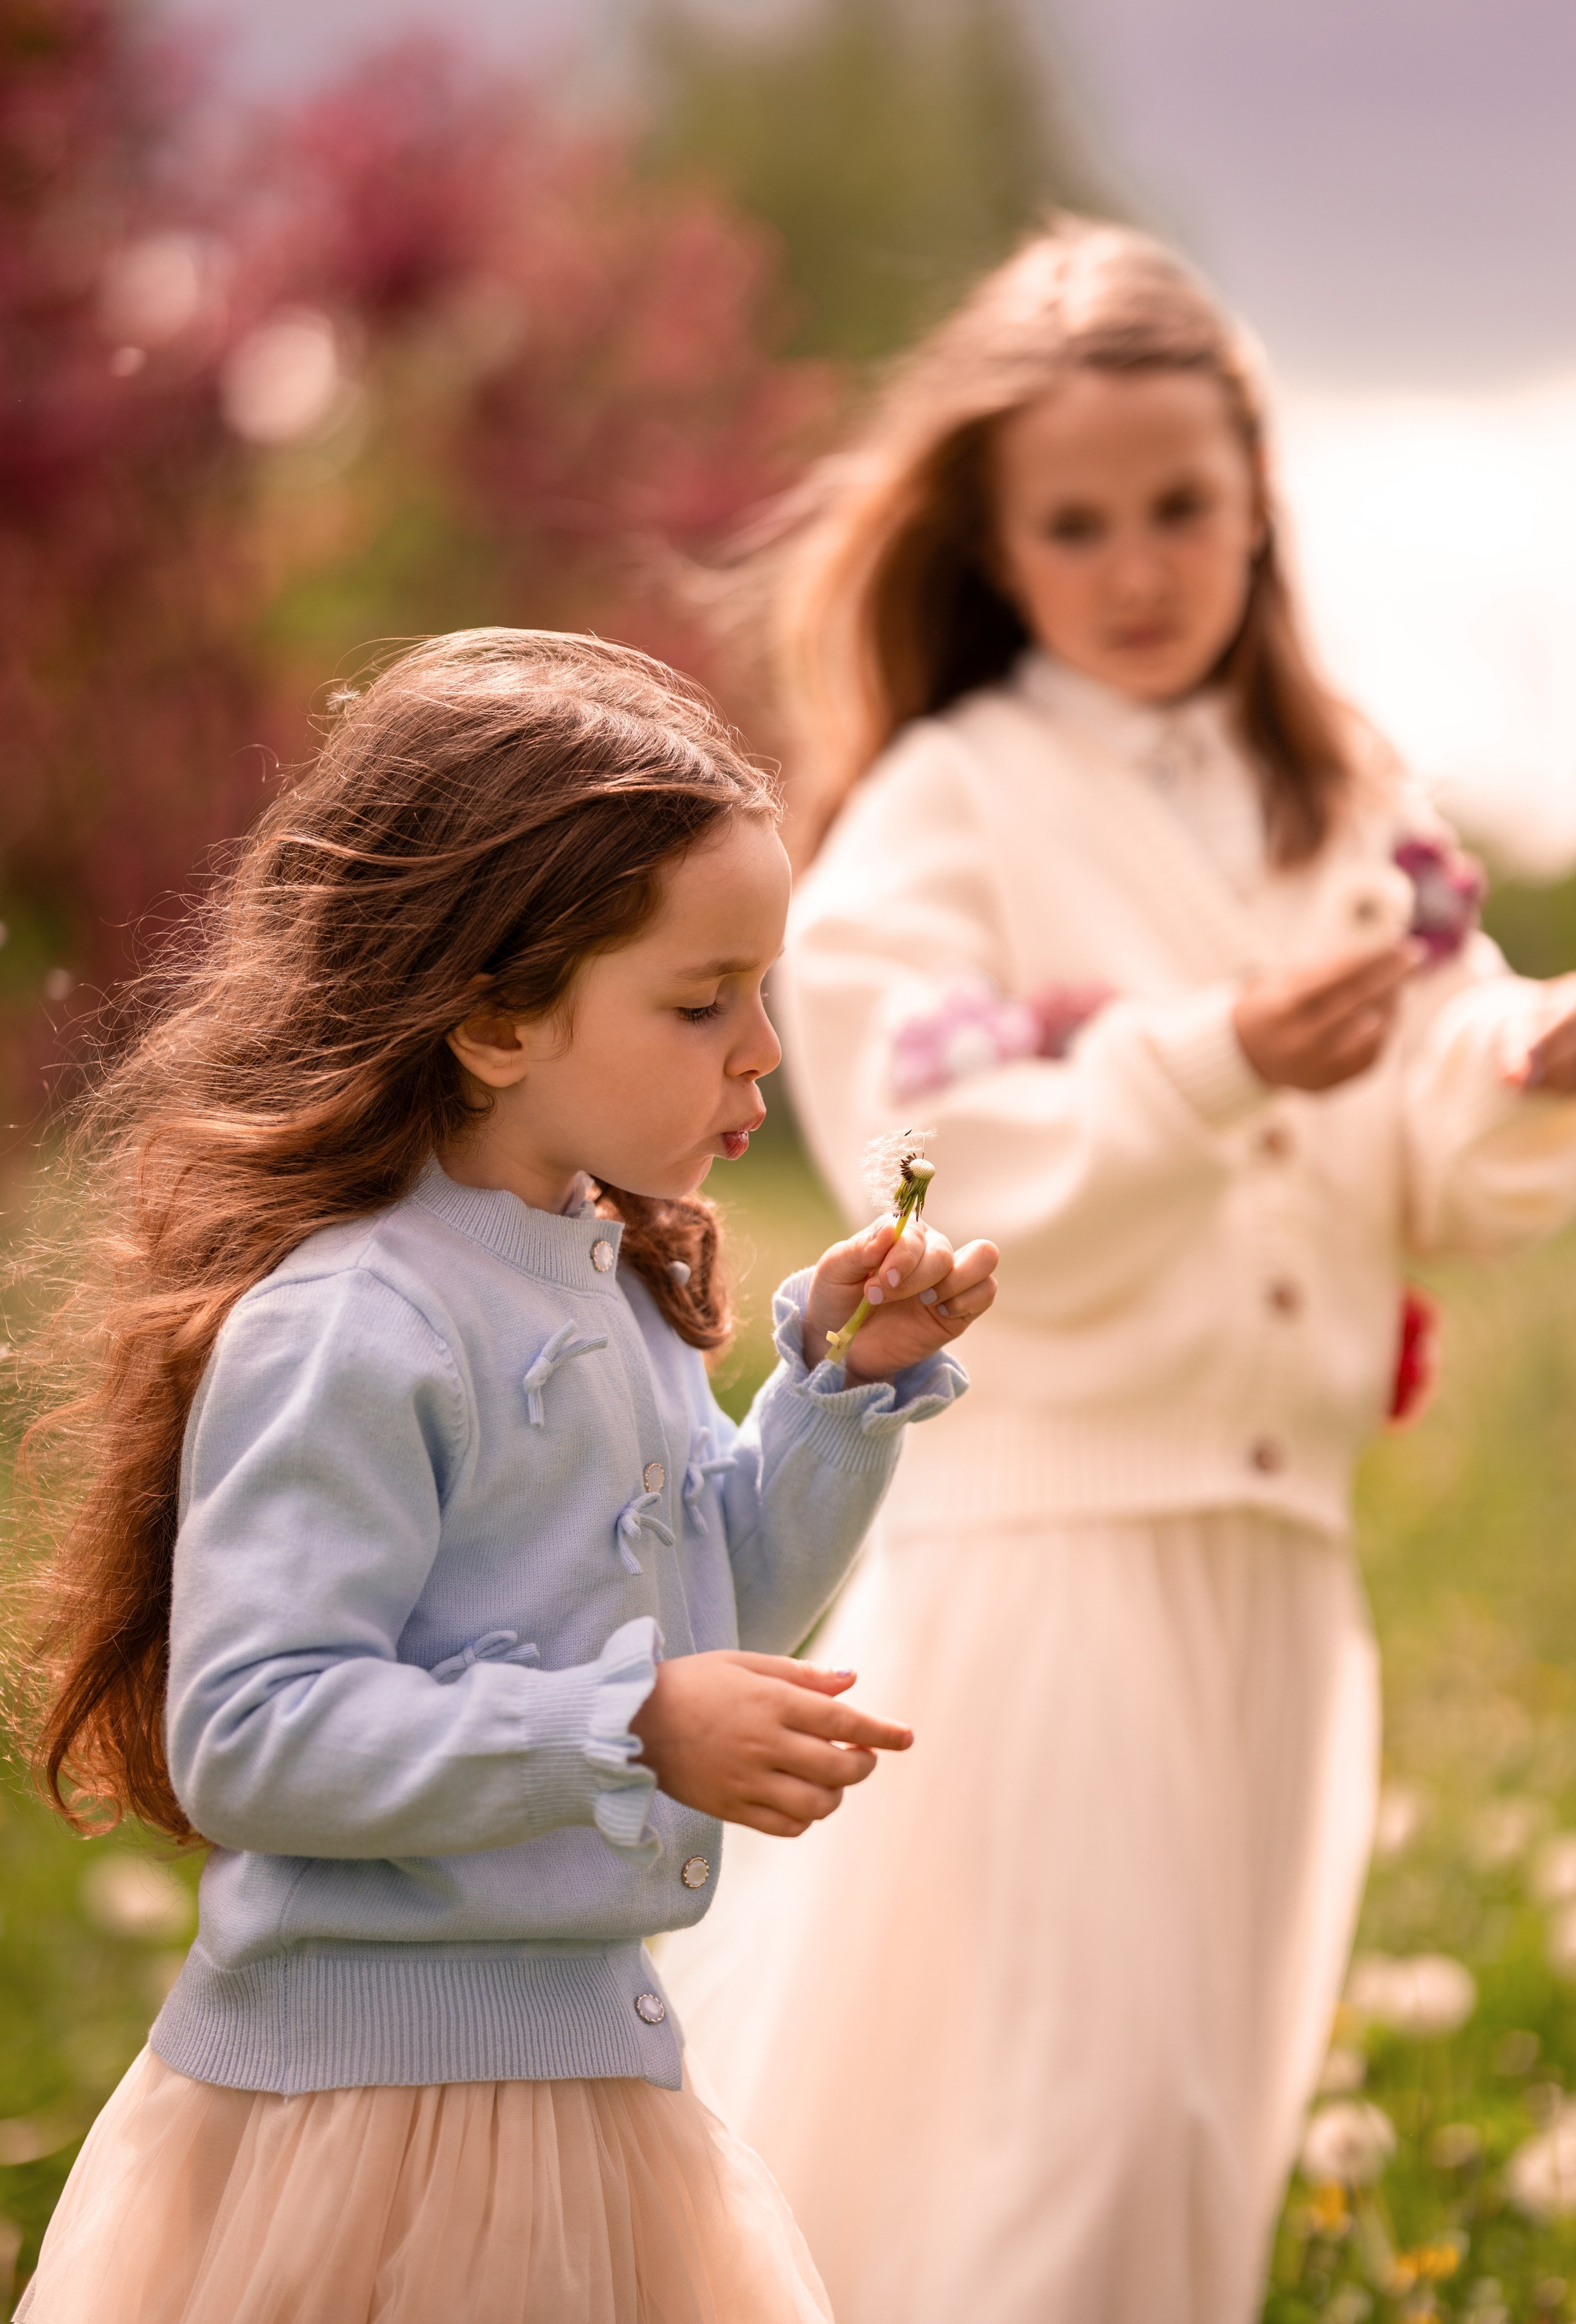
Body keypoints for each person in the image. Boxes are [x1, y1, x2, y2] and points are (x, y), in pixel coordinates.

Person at [660, 221, 1576, 2323]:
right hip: (1048, 1556)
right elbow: (920, 1142)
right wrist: (1211, 1061)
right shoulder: (948, 806)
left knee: (1197, 2126)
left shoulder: (1334, 790)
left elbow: (1434, 1098)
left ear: (1256, 500)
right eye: (1076, 525)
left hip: (1280, 1555)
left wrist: (1520, 1071)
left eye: (1180, 506)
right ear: (995, 548)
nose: (1137, 567)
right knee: (1077, 2125)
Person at [9, 631, 997, 2324]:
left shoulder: (609, 1278)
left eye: (760, 990)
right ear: (492, 1015)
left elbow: (716, 1613)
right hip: (375, 2129)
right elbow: (253, 1733)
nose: (761, 1049)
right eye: (699, 999)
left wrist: (838, 1398)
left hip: (584, 2088)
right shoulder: (356, 1321)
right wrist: (628, 1726)